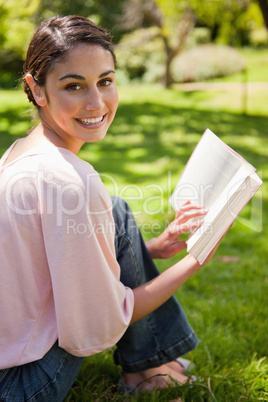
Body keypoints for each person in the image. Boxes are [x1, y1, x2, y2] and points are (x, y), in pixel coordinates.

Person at [0, 15, 223, 401]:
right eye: (74, 86)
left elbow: (44, 263)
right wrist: (195, 259)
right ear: (36, 91)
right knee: (113, 217)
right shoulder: (71, 183)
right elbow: (104, 321)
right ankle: (149, 368)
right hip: (20, 386)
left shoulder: (19, 152)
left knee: (117, 211)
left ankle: (149, 366)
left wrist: (150, 247)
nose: (96, 102)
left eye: (105, 81)